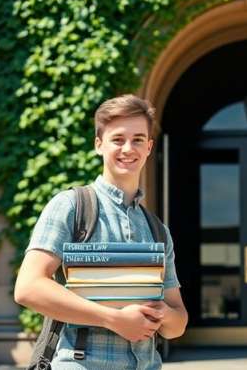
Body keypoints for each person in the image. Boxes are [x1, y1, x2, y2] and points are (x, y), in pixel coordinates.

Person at [14, 94, 187, 369]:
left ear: (149, 147)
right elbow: (28, 287)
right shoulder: (71, 206)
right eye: (118, 139)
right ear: (99, 145)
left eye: (138, 139)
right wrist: (114, 319)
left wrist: (164, 314)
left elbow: (177, 323)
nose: (128, 148)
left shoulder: (157, 230)